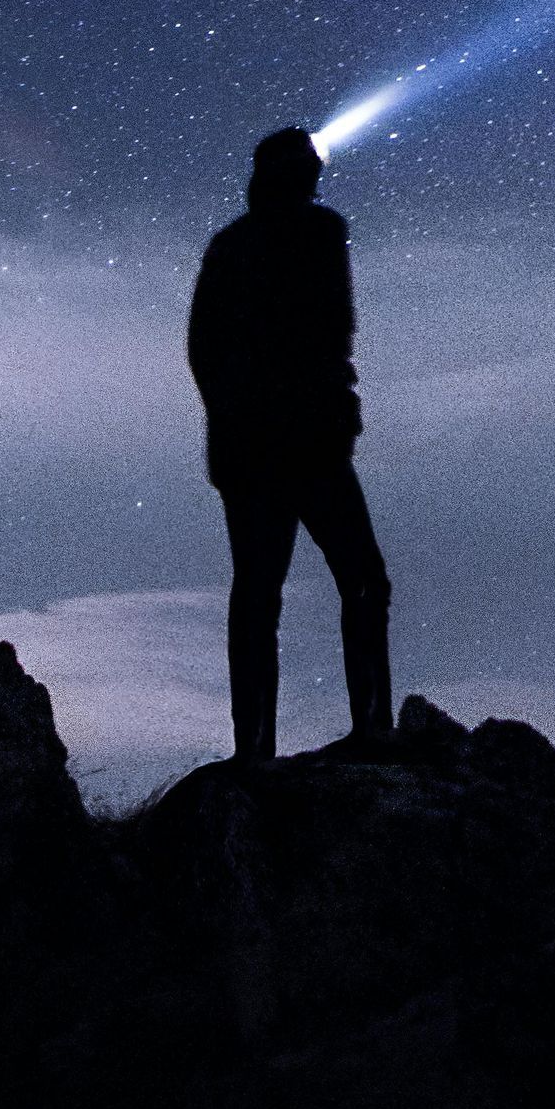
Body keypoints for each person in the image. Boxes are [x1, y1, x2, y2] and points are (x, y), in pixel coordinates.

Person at [187, 126, 392, 763]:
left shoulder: (230, 246)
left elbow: (202, 347)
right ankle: (372, 729)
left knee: (258, 592)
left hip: (252, 447)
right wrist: (331, 406)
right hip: (305, 442)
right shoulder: (321, 232)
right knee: (360, 580)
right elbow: (335, 333)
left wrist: (231, 416)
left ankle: (255, 749)